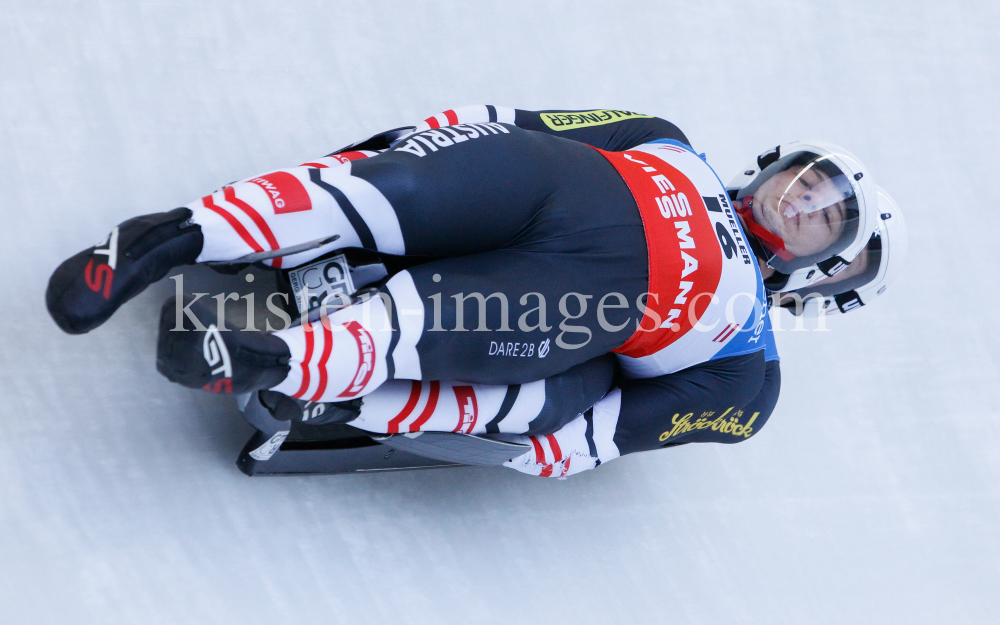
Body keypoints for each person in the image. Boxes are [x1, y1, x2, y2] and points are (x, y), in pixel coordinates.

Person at [45, 105, 898, 477]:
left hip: (587, 295)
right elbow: (509, 120)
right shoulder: (666, 137)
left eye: (824, 220)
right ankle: (161, 240)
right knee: (387, 190)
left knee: (551, 381)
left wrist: (409, 418)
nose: (800, 200)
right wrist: (374, 156)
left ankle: (285, 362)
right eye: (807, 179)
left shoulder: (750, 374)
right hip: (551, 183)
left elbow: (593, 436)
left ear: (821, 273)